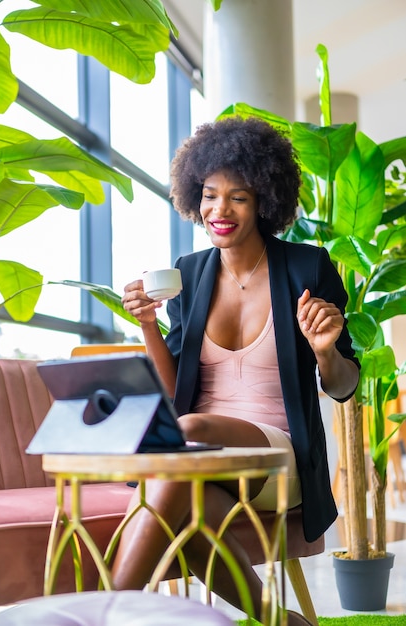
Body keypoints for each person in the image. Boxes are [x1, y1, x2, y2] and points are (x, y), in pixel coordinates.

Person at [114, 116, 360, 622]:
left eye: (238, 197)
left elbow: (343, 386)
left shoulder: (306, 268)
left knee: (190, 429)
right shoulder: (188, 273)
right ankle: (279, 620)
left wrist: (325, 350)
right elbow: (172, 388)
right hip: (196, 458)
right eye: (208, 194)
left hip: (275, 459)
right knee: (192, 491)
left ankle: (97, 611)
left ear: (265, 201)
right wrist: (146, 327)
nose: (218, 210)